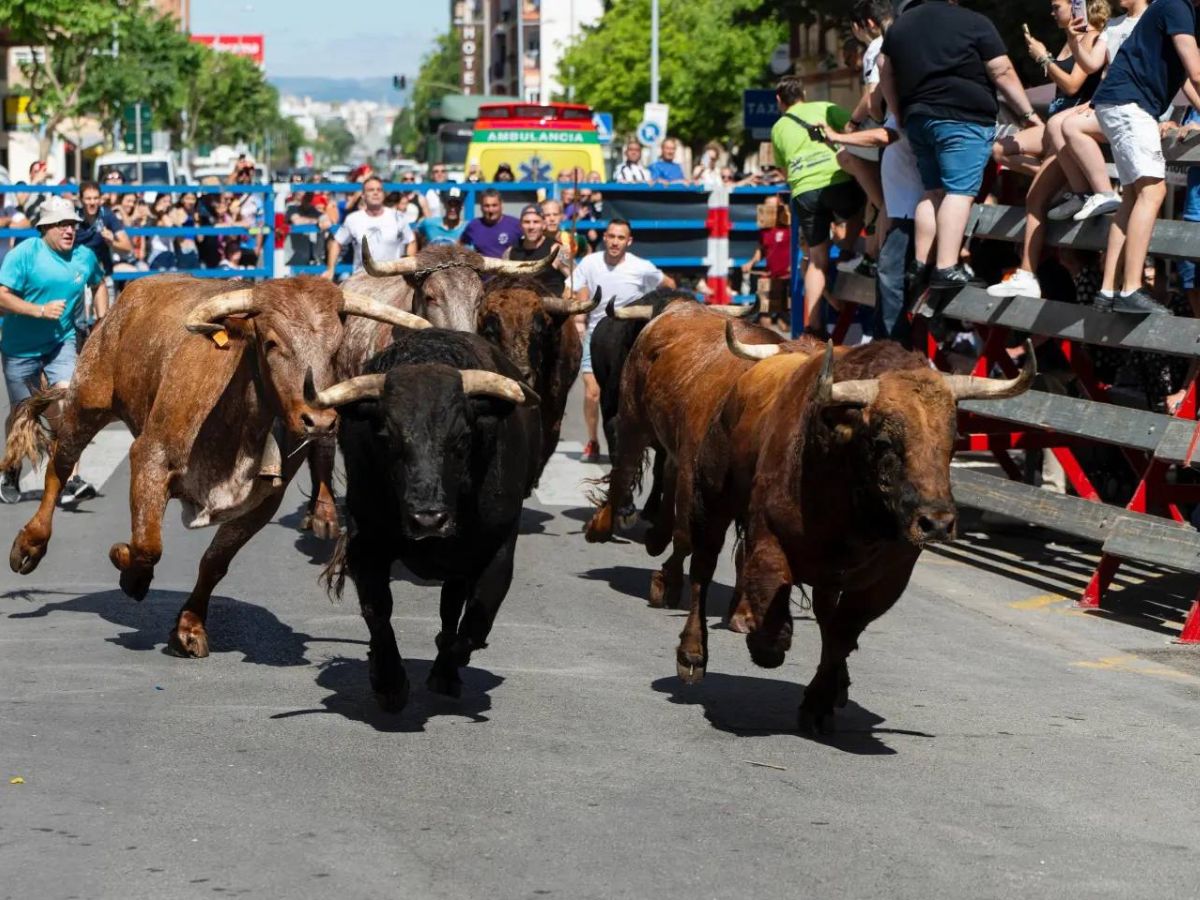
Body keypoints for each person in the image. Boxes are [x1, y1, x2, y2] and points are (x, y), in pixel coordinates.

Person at [879, 0, 1041, 291]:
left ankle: (920, 265)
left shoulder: (900, 26)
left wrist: (898, 111)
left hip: (918, 119)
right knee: (959, 192)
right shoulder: (974, 22)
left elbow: (885, 70)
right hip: (962, 119)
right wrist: (1028, 115)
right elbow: (1001, 71)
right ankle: (946, 267)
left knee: (934, 191)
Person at [987, 0, 1110, 300]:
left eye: (1057, 6)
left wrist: (1044, 59)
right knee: (1000, 150)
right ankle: (1063, 182)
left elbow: (1071, 86)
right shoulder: (1069, 39)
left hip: (1070, 130)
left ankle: (1027, 273)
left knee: (1034, 198)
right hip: (1054, 125)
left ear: (1077, 6)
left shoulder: (1091, 37)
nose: (1052, 12)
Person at [1090, 0, 1200, 315]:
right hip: (1130, 104)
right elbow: (1197, 71)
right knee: (1154, 191)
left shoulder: (1178, 12)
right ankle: (1131, 289)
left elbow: (1182, 76)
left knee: (1133, 198)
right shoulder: (1176, 6)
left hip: (1118, 103)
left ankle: (1109, 289)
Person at [0, 197, 107, 505]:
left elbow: (99, 284)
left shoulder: (84, 257)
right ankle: (10, 469)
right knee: (23, 415)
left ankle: (70, 479)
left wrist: (101, 320)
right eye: (61, 224)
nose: (69, 229)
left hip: (61, 343)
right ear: (44, 227)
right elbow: (2, 296)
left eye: (72, 224)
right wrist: (38, 310)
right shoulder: (23, 255)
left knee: (65, 403)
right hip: (20, 348)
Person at [570, 219, 675, 463]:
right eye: (611, 236)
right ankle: (593, 440)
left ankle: (638, 441)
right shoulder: (590, 262)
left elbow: (668, 284)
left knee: (634, 394)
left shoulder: (642, 267)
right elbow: (576, 286)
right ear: (604, 237)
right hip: (597, 334)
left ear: (629, 241)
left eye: (620, 238)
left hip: (631, 336)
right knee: (593, 393)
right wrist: (579, 318)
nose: (615, 242)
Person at [770, 74, 865, 333]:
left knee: (816, 260)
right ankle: (847, 247)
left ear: (780, 101)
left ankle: (813, 327)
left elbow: (783, 170)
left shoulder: (778, 128)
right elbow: (852, 130)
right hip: (835, 179)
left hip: (803, 190)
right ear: (804, 95)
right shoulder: (824, 107)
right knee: (860, 209)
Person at [1052, 0, 1152, 222]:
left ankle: (1104, 192)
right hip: (1111, 102)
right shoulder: (1114, 25)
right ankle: (1084, 194)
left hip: (1137, 106)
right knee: (1054, 124)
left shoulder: (1153, 20)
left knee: (1070, 125)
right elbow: (1091, 65)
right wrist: (1073, 39)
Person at [324, 175, 416, 279]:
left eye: (379, 190)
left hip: (392, 281)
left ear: (384, 194)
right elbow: (337, 242)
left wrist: (409, 269)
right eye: (371, 190)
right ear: (363, 195)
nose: (376, 192)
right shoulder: (353, 219)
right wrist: (330, 269)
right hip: (362, 281)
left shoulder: (398, 217)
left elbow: (411, 241)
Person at [740, 194, 791, 327]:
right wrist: (750, 263)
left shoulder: (790, 227)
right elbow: (760, 250)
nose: (768, 209)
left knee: (785, 322)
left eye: (772, 205)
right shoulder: (764, 231)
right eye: (766, 205)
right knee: (764, 314)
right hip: (770, 276)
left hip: (788, 279)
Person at [504, 204, 573, 297]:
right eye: (527, 222)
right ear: (520, 225)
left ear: (543, 225)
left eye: (536, 222)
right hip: (520, 305)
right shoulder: (510, 252)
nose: (531, 227)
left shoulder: (556, 250)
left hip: (551, 307)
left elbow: (576, 279)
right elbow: (503, 284)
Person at [74, 181, 132, 289]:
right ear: (81, 199)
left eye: (96, 198)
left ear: (100, 199)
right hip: (79, 275)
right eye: (88, 198)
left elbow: (127, 247)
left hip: (103, 275)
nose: (92, 202)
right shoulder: (73, 217)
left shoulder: (107, 215)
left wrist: (112, 242)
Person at [460, 188, 522, 259]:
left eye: (494, 205)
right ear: (481, 207)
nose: (490, 210)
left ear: (501, 205)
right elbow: (460, 244)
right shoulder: (473, 225)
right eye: (487, 206)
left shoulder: (515, 224)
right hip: (483, 269)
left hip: (510, 267)